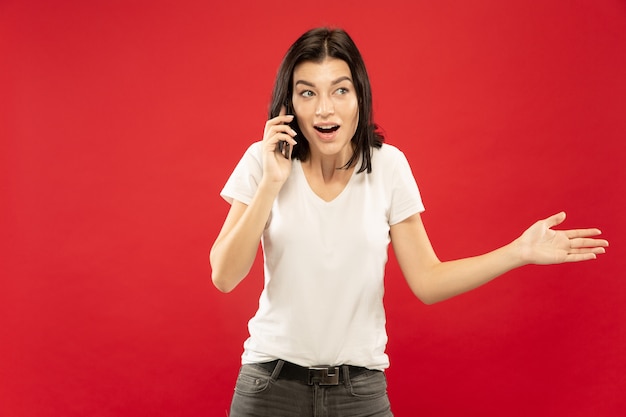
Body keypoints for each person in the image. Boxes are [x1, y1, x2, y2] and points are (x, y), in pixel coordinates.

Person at [209, 27, 608, 417]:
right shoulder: (263, 161)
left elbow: (427, 280)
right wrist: (270, 183)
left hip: (358, 392)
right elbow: (224, 276)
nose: (324, 108)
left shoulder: (388, 166)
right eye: (307, 92)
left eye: (340, 90)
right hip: (269, 388)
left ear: (360, 97)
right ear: (289, 103)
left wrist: (517, 252)